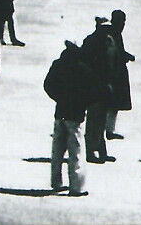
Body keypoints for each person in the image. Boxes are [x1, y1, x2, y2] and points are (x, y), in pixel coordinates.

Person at [45, 40, 93, 196]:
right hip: (75, 114)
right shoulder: (82, 68)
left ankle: (56, 182)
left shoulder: (58, 64)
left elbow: (48, 85)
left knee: (57, 150)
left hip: (60, 112)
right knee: (76, 151)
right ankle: (76, 186)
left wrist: (59, 98)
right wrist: (83, 103)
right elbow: (92, 90)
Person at [81, 17, 118, 163]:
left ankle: (102, 151)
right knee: (93, 121)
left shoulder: (109, 41)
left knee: (101, 120)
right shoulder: (90, 41)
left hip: (105, 86)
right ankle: (91, 152)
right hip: (93, 86)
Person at [104, 9, 134, 139]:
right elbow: (115, 53)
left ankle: (109, 129)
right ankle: (109, 130)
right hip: (114, 74)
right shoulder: (113, 34)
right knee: (111, 104)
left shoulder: (114, 33)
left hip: (116, 73)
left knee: (113, 105)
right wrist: (126, 57)